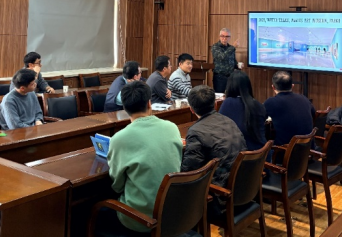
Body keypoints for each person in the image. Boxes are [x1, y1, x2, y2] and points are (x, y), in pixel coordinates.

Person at [103, 81, 183, 233]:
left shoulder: (119, 138)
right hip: (172, 212)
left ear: (124, 107)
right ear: (149, 103)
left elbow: (117, 186)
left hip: (141, 220)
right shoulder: (172, 127)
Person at [181, 85, 246, 215]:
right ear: (215, 104)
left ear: (191, 109)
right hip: (243, 187)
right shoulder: (229, 121)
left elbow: (189, 172)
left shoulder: (195, 131)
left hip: (220, 197)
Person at [264, 71, 315, 146]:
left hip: (284, 150)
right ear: (292, 86)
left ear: (273, 87)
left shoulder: (270, 102)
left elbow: (259, 119)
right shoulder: (304, 99)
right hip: (308, 148)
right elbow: (313, 113)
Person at [219, 71, 267, 151]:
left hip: (241, 155)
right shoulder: (258, 104)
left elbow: (219, 128)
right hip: (262, 153)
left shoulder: (228, 103)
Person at [211, 28, 241, 93]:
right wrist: (233, 47)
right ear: (219, 37)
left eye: (227, 36)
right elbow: (222, 57)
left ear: (230, 38)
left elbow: (233, 61)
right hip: (220, 78)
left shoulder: (230, 48)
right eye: (222, 36)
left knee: (231, 95)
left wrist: (238, 65)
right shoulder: (215, 47)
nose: (224, 38)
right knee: (220, 96)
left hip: (231, 77)